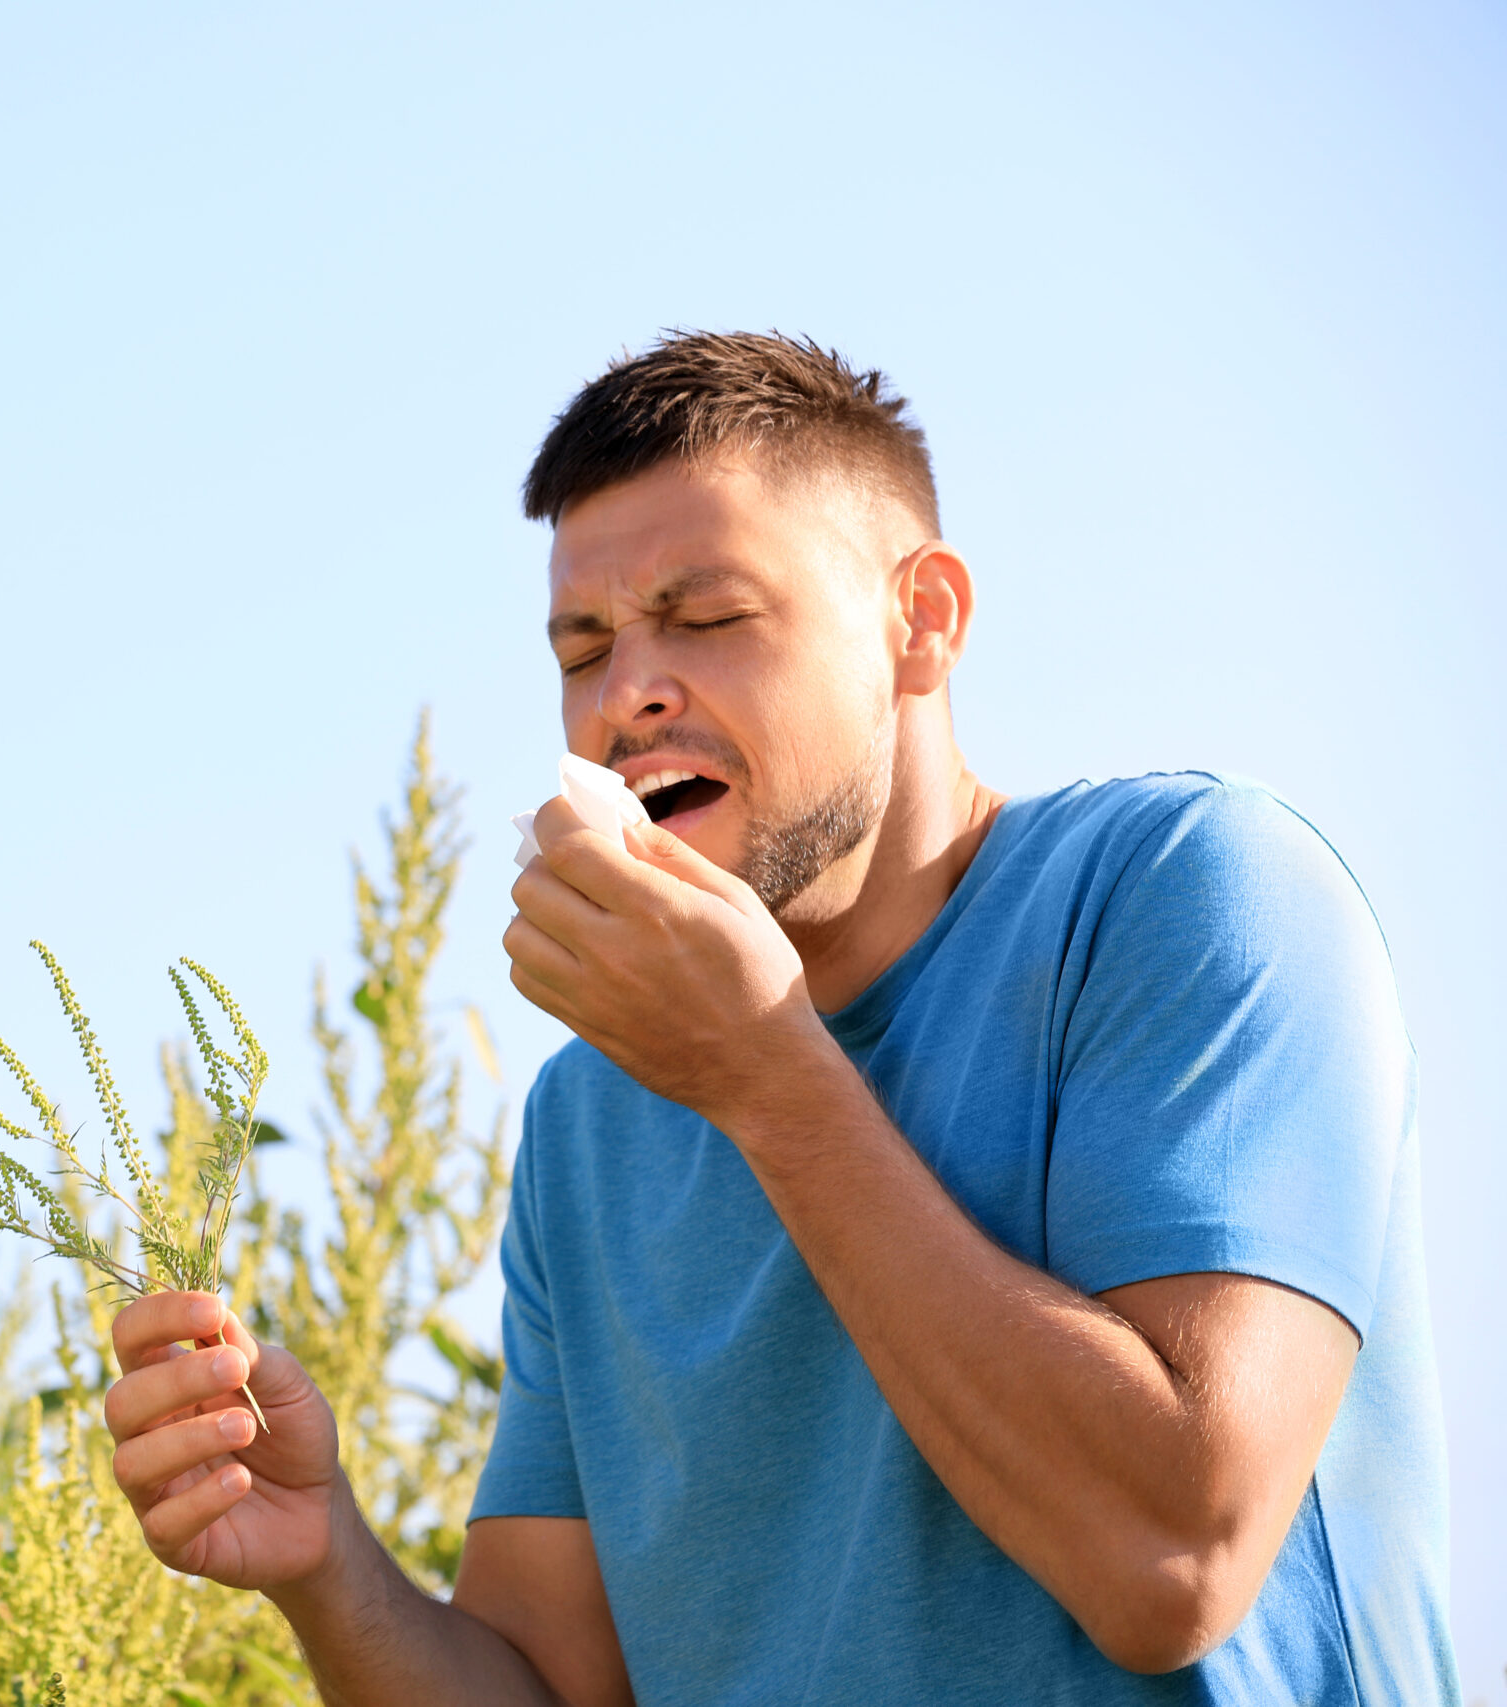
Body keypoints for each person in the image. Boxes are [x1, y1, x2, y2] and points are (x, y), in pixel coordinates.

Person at [97, 333, 1456, 1705]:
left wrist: (764, 1079)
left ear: (921, 621)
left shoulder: (1187, 891)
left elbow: (1175, 1559)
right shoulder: (591, 1121)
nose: (628, 693)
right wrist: (329, 1564)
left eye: (707, 617)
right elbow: (553, 1688)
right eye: (584, 646)